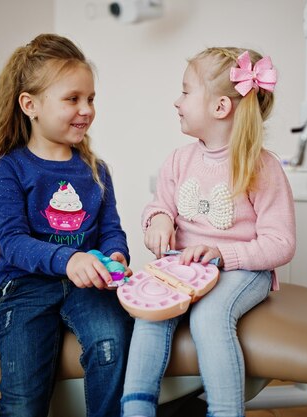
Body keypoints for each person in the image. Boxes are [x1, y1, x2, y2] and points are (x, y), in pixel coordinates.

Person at [121, 47, 296, 417]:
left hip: (243, 270)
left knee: (209, 317)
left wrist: (222, 255)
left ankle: (224, 411)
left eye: (185, 91)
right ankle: (136, 411)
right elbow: (158, 206)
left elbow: (280, 243)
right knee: (150, 315)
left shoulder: (260, 167)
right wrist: (159, 221)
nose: (176, 101)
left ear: (220, 107)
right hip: (184, 269)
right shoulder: (178, 160)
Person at [0, 33, 134, 417]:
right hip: (26, 286)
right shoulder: (11, 169)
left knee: (111, 343)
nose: (86, 109)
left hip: (88, 285)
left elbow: (111, 228)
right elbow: (13, 242)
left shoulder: (96, 171)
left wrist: (115, 254)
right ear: (30, 105)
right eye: (72, 99)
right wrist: (68, 259)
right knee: (22, 403)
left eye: (91, 98)